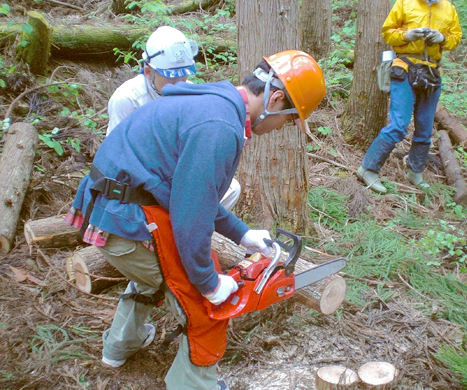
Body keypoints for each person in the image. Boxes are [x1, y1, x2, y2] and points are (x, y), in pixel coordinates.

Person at [65, 49, 326, 390]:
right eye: (290, 119)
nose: (283, 128)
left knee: (157, 275)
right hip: (125, 221)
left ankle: (120, 345)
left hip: (111, 210)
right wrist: (211, 284)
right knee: (205, 303)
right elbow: (191, 218)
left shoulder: (215, 103)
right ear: (276, 99)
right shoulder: (220, 126)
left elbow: (190, 196)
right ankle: (194, 385)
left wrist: (244, 234)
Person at [106, 25, 241, 211]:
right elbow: (116, 155)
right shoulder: (127, 98)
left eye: (183, 77)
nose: (179, 84)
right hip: (141, 181)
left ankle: (192, 226)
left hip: (178, 173)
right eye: (171, 79)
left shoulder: (191, 92)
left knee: (231, 188)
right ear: (148, 71)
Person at [356, 0, 462, 194]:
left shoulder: (448, 8)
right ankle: (368, 169)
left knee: (425, 127)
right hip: (404, 68)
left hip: (431, 73)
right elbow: (388, 32)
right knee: (399, 124)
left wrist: (442, 38)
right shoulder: (405, 3)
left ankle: (415, 172)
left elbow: (456, 38)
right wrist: (407, 35)